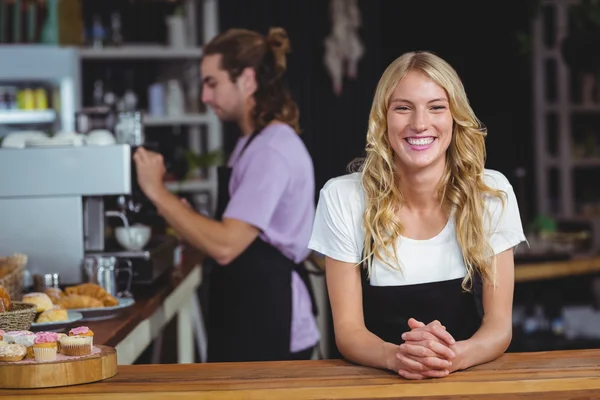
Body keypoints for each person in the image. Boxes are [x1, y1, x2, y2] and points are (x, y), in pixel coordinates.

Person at [308, 51, 526, 379]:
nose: (420, 123)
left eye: (436, 107)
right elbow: (348, 332)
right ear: (383, 117)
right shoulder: (343, 198)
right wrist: (398, 357)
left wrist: (450, 357)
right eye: (403, 107)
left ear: (455, 115)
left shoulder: (490, 194)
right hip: (374, 387)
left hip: (470, 384)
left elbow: (498, 327)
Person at [133, 27, 320, 362]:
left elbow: (226, 244)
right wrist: (186, 217)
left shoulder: (271, 150)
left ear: (247, 80)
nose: (204, 96)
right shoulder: (251, 143)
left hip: (270, 314)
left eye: (212, 82)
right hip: (249, 306)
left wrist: (156, 191)